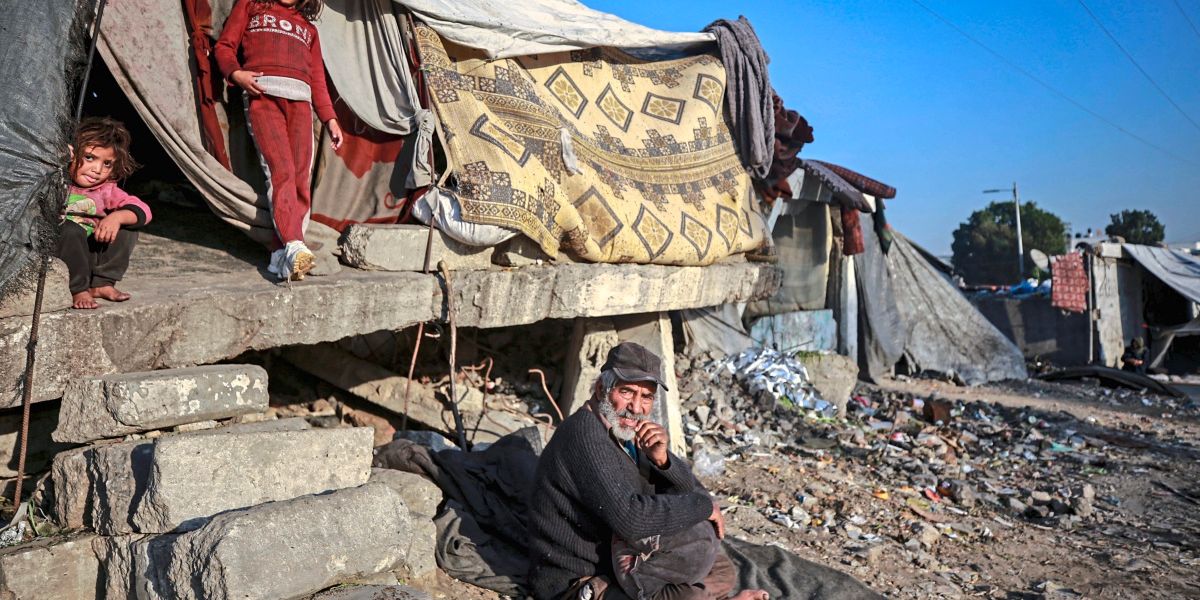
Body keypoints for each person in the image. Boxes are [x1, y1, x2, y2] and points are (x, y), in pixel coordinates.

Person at [528, 342, 768, 600]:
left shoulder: (624, 431)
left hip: (624, 557)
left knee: (721, 570)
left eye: (646, 397)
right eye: (627, 392)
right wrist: (704, 507)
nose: (636, 407)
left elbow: (687, 490)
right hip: (580, 576)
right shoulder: (585, 435)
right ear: (601, 389)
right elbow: (632, 519)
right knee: (689, 592)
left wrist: (663, 461)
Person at [215, 0, 344, 281]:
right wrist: (236, 73)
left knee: (300, 178)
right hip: (264, 97)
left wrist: (330, 119)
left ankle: (281, 255)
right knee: (281, 171)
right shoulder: (251, 6)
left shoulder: (308, 29)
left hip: (301, 104)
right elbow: (224, 46)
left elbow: (317, 80)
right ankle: (295, 244)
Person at [57, 117, 153, 310]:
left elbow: (144, 211)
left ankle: (101, 283)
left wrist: (116, 217)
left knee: (127, 228)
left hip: (91, 253)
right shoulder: (56, 181)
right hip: (64, 253)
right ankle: (78, 289)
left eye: (107, 163)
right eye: (89, 158)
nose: (97, 170)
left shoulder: (106, 190)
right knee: (69, 230)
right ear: (71, 153)